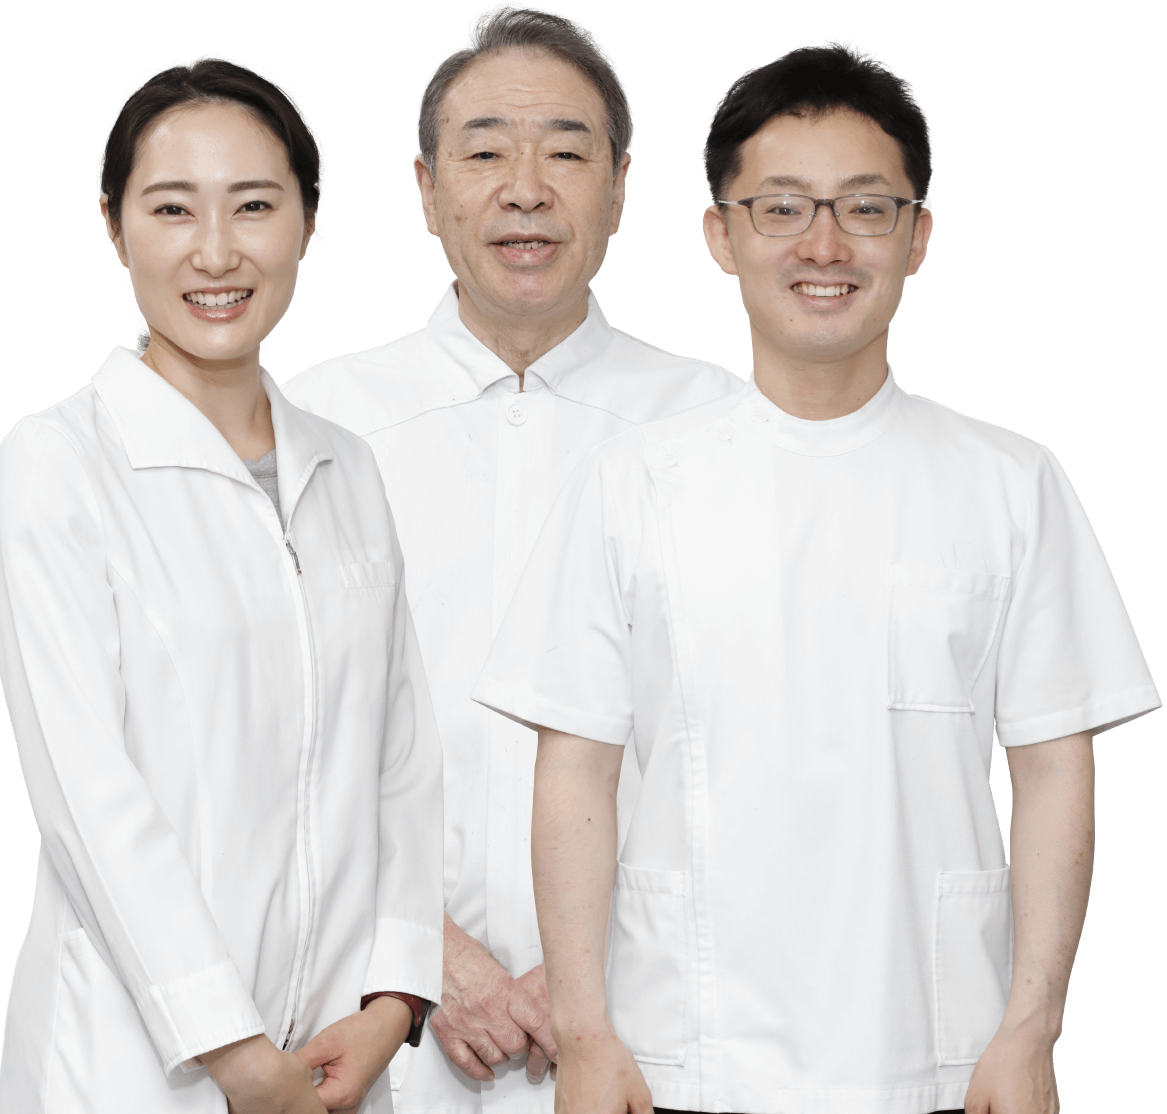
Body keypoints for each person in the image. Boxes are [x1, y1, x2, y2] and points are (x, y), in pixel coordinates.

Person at [471, 34, 1161, 1114]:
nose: (823, 245)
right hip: (682, 1053)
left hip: (938, 1050)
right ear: (721, 234)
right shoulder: (632, 481)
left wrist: (1031, 1028)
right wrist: (587, 1030)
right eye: (782, 208)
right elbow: (574, 773)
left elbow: (1052, 768)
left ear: (917, 235)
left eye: (865, 208)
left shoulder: (1009, 481)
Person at [281, 4, 743, 1111]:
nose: (526, 189)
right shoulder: (317, 422)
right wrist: (429, 953)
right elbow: (268, 731)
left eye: (567, 154)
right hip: (373, 1008)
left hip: (657, 1017)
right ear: (426, 187)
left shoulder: (719, 425)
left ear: (620, 188)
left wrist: (587, 971)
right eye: (485, 152)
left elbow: (758, 741)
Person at [0, 53, 443, 1114]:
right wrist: (233, 1051)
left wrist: (391, 999)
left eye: (254, 205)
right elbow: (87, 795)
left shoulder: (345, 466)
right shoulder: (59, 463)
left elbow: (404, 761)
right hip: (135, 1066)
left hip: (335, 1056)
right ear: (113, 225)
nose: (216, 251)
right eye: (171, 209)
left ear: (308, 221)